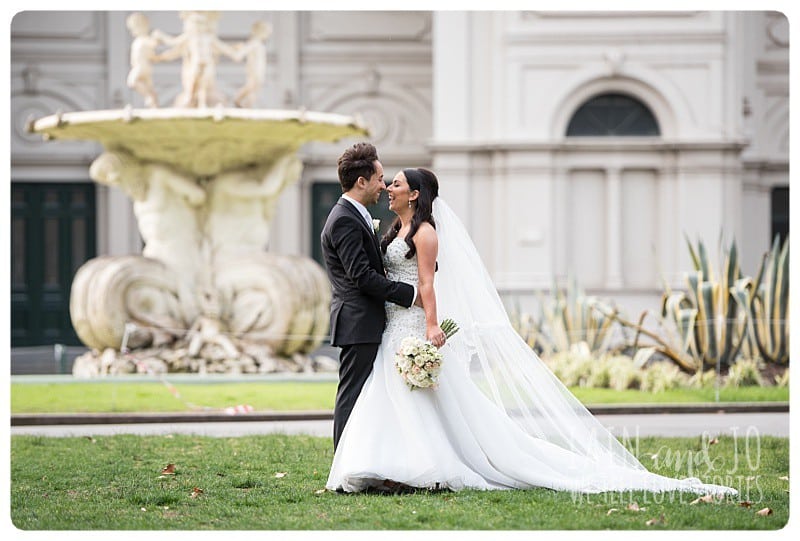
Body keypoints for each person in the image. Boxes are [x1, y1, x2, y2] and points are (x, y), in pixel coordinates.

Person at [326, 167, 738, 497]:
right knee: (390, 395)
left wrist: (432, 324)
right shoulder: (392, 231)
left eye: (394, 184)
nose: (388, 188)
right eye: (386, 182)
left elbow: (429, 283)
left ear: (414, 194)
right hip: (393, 326)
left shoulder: (425, 232)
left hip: (413, 323)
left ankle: (420, 466)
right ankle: (385, 466)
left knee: (421, 397)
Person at [320, 142, 418, 451]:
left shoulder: (355, 214)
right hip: (357, 321)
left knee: (366, 395)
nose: (384, 185)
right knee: (353, 393)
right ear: (361, 181)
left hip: (364, 320)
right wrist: (409, 293)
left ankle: (361, 458)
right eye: (379, 178)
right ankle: (344, 464)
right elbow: (361, 277)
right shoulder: (344, 219)